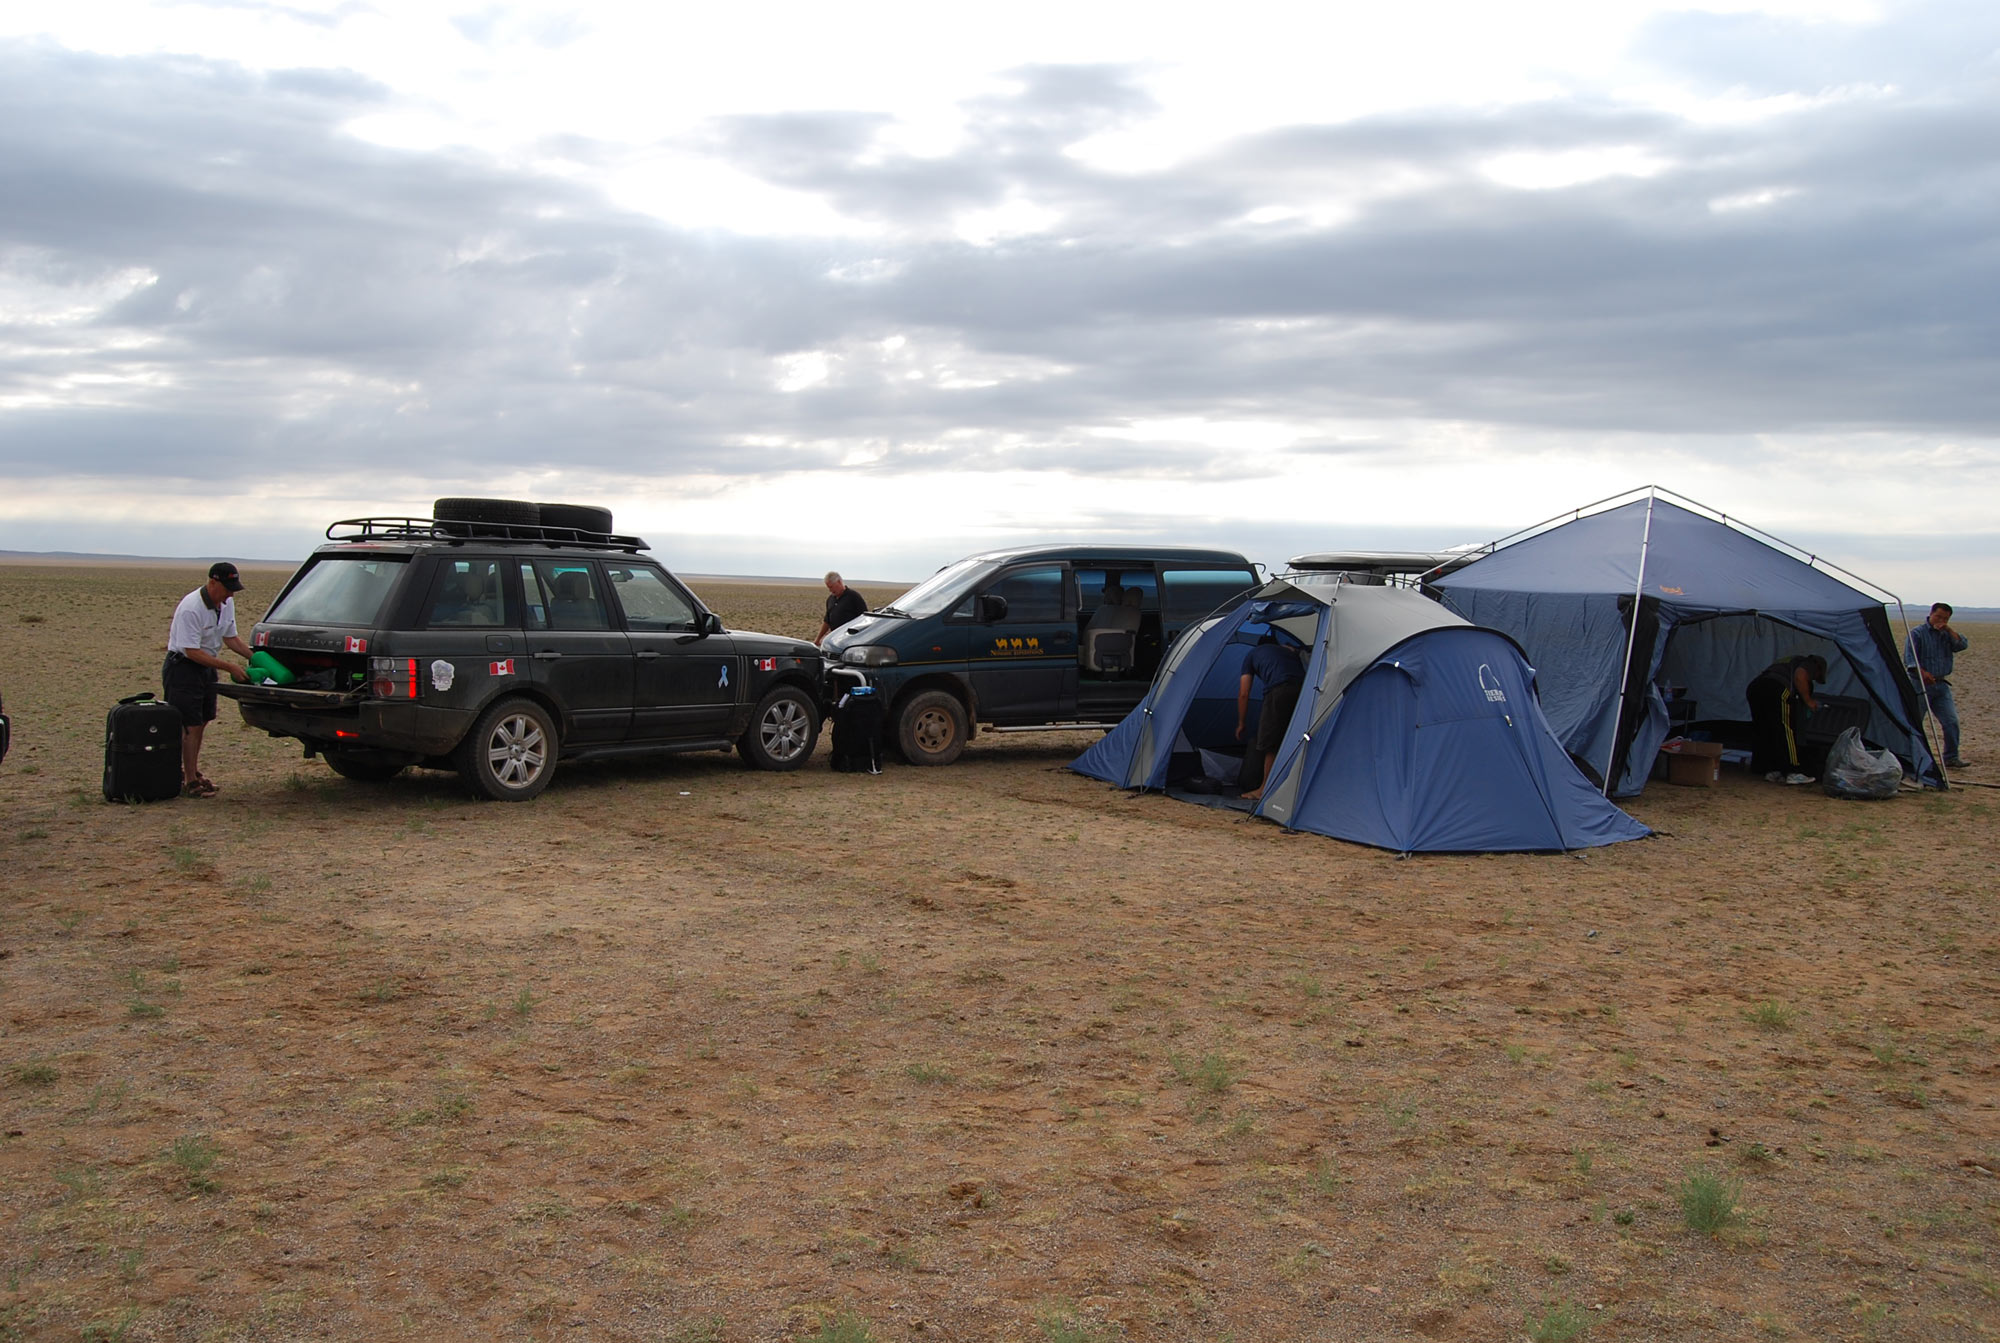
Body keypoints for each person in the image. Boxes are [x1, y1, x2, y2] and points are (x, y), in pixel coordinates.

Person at [164, 562, 252, 797]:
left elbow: (231, 638)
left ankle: (191, 772)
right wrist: (230, 667)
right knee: (189, 724)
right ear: (212, 582)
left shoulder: (226, 603)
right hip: (184, 668)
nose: (231, 594)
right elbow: (191, 651)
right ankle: (190, 781)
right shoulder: (191, 608)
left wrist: (256, 658)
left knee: (202, 721)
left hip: (207, 667)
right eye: (228, 588)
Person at [1236, 634, 1305, 801]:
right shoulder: (1290, 652)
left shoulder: (1252, 655)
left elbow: (1244, 693)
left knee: (1270, 741)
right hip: (1304, 690)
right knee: (1294, 738)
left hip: (1279, 690)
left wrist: (1241, 723)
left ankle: (1264, 789)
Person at [1745, 653, 1827, 784]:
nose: (1812, 680)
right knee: (1787, 729)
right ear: (1818, 668)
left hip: (1755, 686)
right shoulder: (1808, 663)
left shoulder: (1787, 663)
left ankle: (1772, 770)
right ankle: (1792, 771)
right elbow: (1800, 676)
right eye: (1816, 677)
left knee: (1766, 729)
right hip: (1776, 688)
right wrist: (1809, 701)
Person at [1905, 602, 1970, 768]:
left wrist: (1948, 630)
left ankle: (1951, 757)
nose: (1940, 620)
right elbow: (1910, 660)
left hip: (1941, 685)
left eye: (1945, 619)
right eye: (1938, 616)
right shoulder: (1917, 634)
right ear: (1931, 614)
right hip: (1920, 686)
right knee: (1914, 722)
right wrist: (1922, 672)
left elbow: (1962, 645)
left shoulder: (1946, 635)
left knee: (1951, 722)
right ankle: (1909, 755)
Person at [816, 571, 869, 645]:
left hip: (850, 640)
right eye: (828, 588)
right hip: (834, 639)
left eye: (831, 587)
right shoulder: (830, 599)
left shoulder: (854, 597)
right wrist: (818, 639)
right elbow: (827, 621)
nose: (830, 590)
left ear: (839, 582)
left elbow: (864, 619)